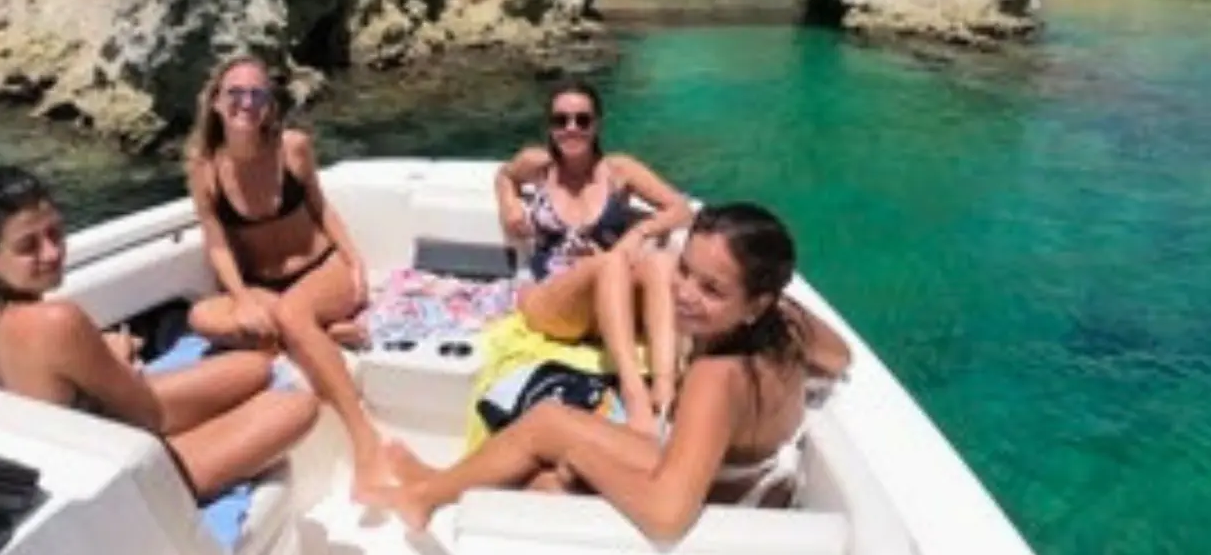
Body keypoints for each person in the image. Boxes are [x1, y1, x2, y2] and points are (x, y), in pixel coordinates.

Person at [364, 202, 853, 542]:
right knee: (548, 421)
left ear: (754, 302)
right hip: (739, 471)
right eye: (684, 270)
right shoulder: (786, 324)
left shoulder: (717, 378)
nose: (683, 292)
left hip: (724, 495)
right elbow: (843, 356)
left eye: (712, 289)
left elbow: (666, 517)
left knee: (543, 483)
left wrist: (581, 457)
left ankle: (427, 494)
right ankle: (429, 490)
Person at [0, 165, 318, 501]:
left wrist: (104, 360)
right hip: (111, 490)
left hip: (85, 444)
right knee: (297, 407)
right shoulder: (57, 319)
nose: (52, 252)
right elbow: (151, 417)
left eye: (54, 232)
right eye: (28, 246)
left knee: (255, 368)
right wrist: (118, 361)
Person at [181, 55, 390, 500]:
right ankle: (323, 336)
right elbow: (217, 243)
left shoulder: (292, 148)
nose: (247, 103)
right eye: (235, 93)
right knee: (201, 317)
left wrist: (354, 261)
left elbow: (321, 207)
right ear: (216, 102)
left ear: (269, 105)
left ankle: (365, 440)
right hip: (263, 287)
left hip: (320, 271)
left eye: (258, 94)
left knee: (295, 313)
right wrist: (241, 299)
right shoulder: (203, 170)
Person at [496, 80, 695, 434]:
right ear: (550, 127)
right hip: (553, 299)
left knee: (660, 262)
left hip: (610, 296)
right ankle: (634, 393)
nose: (571, 128)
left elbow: (680, 209)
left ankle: (666, 386)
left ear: (597, 124)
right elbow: (504, 175)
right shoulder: (538, 166)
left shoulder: (619, 170)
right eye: (561, 120)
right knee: (608, 263)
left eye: (582, 120)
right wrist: (509, 202)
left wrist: (638, 233)